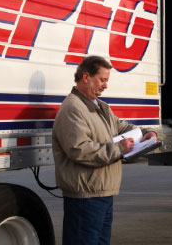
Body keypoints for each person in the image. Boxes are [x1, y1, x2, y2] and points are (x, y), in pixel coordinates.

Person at [52, 56, 156, 245]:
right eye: (102, 79)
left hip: (102, 193)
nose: (105, 85)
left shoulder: (100, 106)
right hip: (85, 197)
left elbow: (121, 127)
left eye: (106, 80)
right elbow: (79, 150)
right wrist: (118, 148)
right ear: (86, 77)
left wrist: (145, 133)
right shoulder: (73, 108)